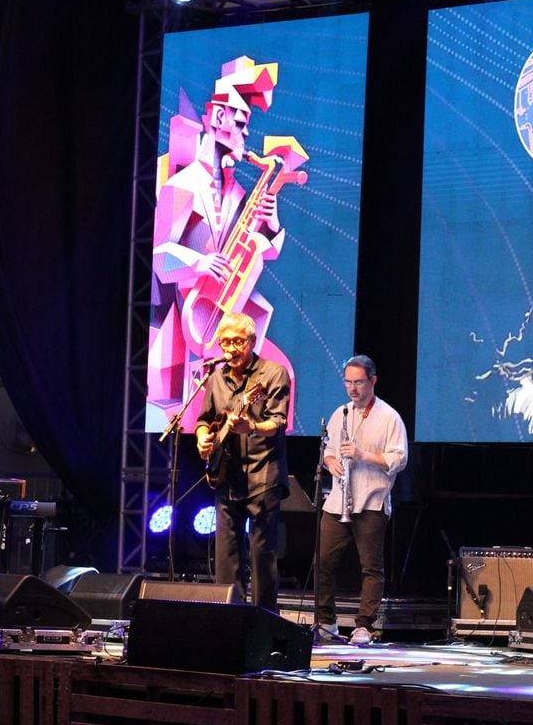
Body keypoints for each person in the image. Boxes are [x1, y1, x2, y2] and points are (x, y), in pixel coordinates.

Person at [149, 55, 307, 434]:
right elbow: (158, 256)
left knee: (275, 371)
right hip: (189, 316)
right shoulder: (182, 184)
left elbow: (261, 251)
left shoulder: (236, 191)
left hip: (227, 313)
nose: (245, 134)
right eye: (240, 123)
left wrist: (270, 224)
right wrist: (199, 264)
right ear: (217, 118)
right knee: (184, 410)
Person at [195, 312, 290, 613]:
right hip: (226, 476)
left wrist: (252, 427)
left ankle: (263, 621)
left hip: (263, 474)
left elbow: (278, 422)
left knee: (262, 555)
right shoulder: (216, 377)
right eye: (225, 342)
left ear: (251, 341)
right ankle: (229, 618)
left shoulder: (272, 374)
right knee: (227, 555)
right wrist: (201, 438)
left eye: (237, 342)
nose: (230, 349)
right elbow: (204, 420)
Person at [318, 355, 408, 645]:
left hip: (371, 500)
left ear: (373, 381)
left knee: (370, 567)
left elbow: (399, 459)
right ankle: (325, 622)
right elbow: (328, 451)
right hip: (337, 501)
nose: (353, 388)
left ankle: (364, 626)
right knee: (323, 561)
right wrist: (330, 462)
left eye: (358, 382)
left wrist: (362, 455)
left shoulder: (389, 416)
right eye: (348, 382)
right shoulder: (340, 413)